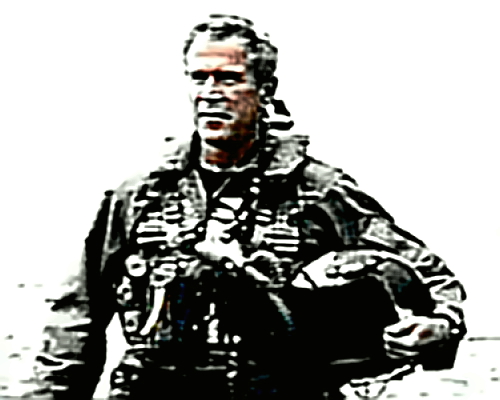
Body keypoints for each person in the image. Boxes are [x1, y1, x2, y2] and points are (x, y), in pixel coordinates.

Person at [23, 14, 466, 400]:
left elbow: (428, 272)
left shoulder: (319, 190)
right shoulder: (137, 194)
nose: (211, 93)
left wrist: (440, 325)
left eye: (229, 78)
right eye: (199, 78)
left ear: (264, 90)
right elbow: (76, 316)